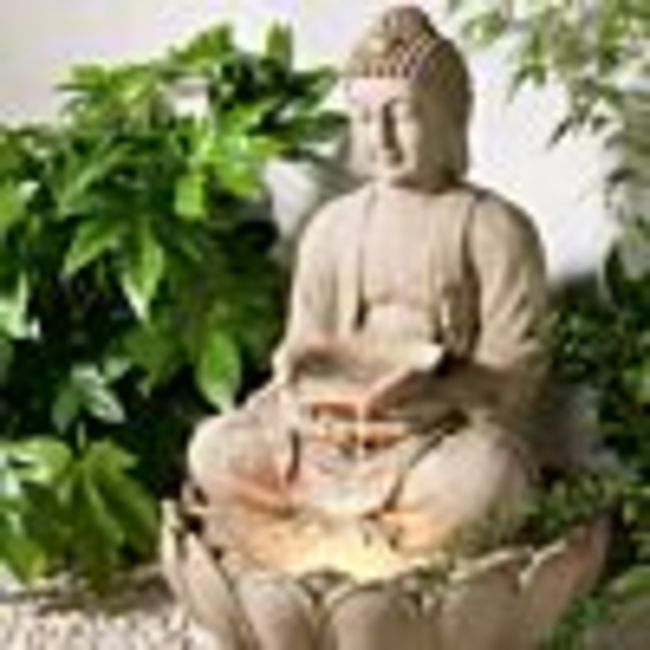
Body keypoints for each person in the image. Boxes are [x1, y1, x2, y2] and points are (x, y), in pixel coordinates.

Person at [186, 5, 548, 576]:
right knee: (215, 448)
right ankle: (357, 554)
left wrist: (438, 390)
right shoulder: (333, 228)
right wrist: (304, 377)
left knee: (488, 478)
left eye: (401, 115)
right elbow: (303, 347)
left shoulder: (492, 227)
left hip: (432, 439)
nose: (381, 137)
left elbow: (516, 367)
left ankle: (326, 552)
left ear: (450, 116)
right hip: (325, 438)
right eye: (362, 117)